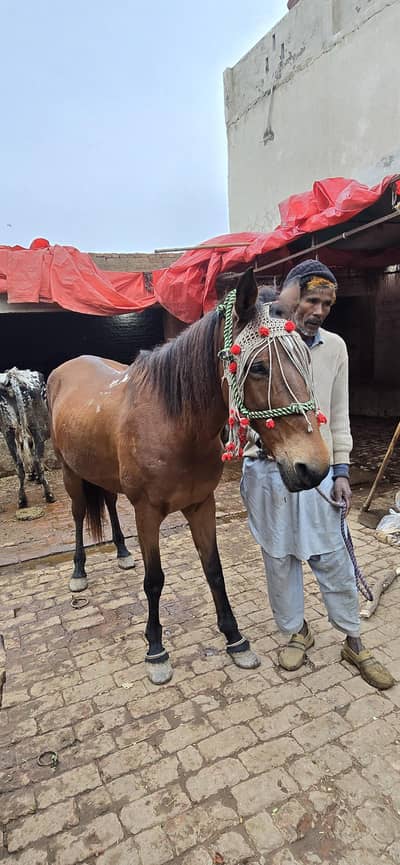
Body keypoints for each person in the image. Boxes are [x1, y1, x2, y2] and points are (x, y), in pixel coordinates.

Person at [241, 259, 394, 689]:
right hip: (268, 472)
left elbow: (340, 416)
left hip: (317, 471)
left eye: (328, 302)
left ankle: (354, 640)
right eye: (312, 299)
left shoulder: (335, 349)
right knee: (279, 559)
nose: (321, 309)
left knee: (332, 556)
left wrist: (342, 471)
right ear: (291, 296)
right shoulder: (259, 342)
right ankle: (297, 632)